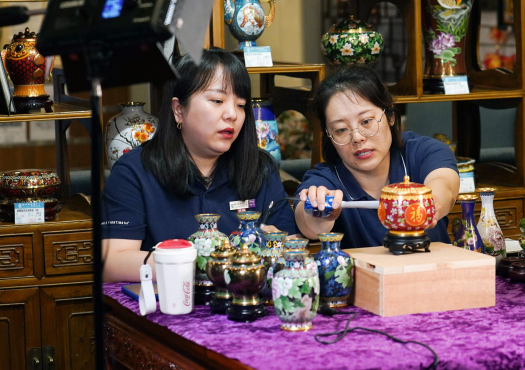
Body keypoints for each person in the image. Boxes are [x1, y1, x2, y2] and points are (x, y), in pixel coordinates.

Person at [102, 48, 297, 282]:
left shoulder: (259, 167)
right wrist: (204, 262)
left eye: (240, 105)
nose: (232, 114)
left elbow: (290, 247)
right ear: (179, 110)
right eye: (217, 101)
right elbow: (112, 262)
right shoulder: (134, 171)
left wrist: (275, 245)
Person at [295, 65, 459, 248]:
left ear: (390, 116)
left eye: (366, 121)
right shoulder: (325, 179)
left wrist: (429, 203)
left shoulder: (423, 151)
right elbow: (307, 222)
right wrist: (320, 212)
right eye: (341, 130)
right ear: (328, 135)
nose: (357, 137)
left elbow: (445, 186)